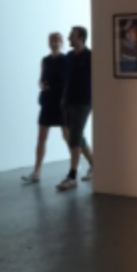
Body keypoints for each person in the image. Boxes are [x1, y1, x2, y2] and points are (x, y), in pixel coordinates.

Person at [22, 32, 69, 184]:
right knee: (41, 137)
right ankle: (36, 172)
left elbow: (69, 81)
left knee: (67, 136)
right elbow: (40, 79)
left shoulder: (66, 59)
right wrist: (41, 85)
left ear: (61, 43)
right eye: (52, 41)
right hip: (48, 101)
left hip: (61, 102)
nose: (54, 43)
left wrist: (65, 98)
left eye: (57, 41)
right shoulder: (45, 60)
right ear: (49, 43)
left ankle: (73, 170)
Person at [58, 25, 94, 191]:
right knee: (77, 136)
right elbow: (67, 80)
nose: (68, 38)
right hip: (69, 102)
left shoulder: (91, 56)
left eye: (71, 35)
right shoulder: (69, 57)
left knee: (75, 136)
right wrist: (63, 98)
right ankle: (95, 165)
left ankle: (72, 176)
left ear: (80, 37)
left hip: (85, 102)